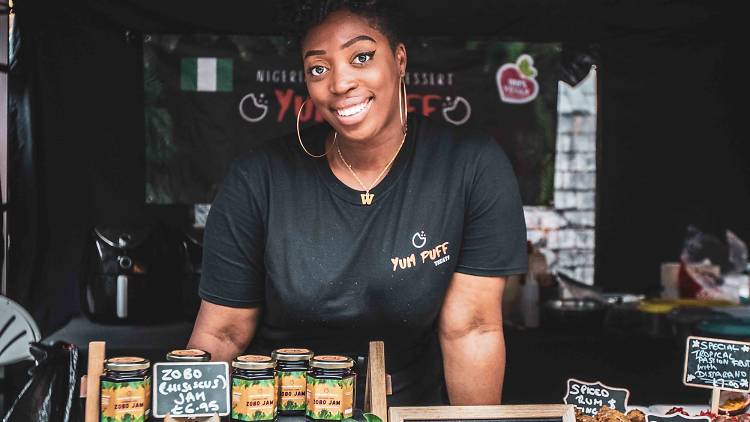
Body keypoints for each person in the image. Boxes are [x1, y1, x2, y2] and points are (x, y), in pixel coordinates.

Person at [188, 0, 527, 406]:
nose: (340, 83)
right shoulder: (257, 179)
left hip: (406, 409)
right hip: (279, 407)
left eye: (361, 57)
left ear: (399, 59)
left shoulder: (470, 166)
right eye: (318, 68)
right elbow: (222, 334)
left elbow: (471, 329)